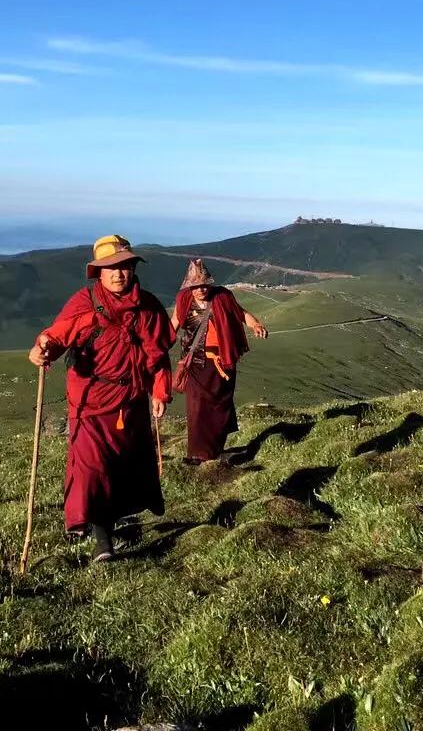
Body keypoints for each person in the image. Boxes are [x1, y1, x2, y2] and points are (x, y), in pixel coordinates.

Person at [28, 235, 173, 561]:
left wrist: (160, 390)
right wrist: (41, 350)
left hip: (132, 400)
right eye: (111, 268)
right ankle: (102, 540)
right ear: (99, 272)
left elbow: (158, 354)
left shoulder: (148, 307)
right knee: (93, 469)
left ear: (134, 269)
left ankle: (112, 519)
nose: (119, 273)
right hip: (90, 400)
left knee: (123, 467)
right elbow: (55, 336)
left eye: (125, 266)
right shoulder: (84, 302)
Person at [170, 259, 268, 464]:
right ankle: (197, 454)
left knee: (219, 408)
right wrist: (160, 344)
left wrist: (255, 325)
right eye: (195, 286)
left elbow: (241, 314)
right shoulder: (184, 300)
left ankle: (215, 451)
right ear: (189, 287)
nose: (200, 289)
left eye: (204, 285)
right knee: (196, 409)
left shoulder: (223, 297)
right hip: (195, 363)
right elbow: (174, 324)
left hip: (223, 363)